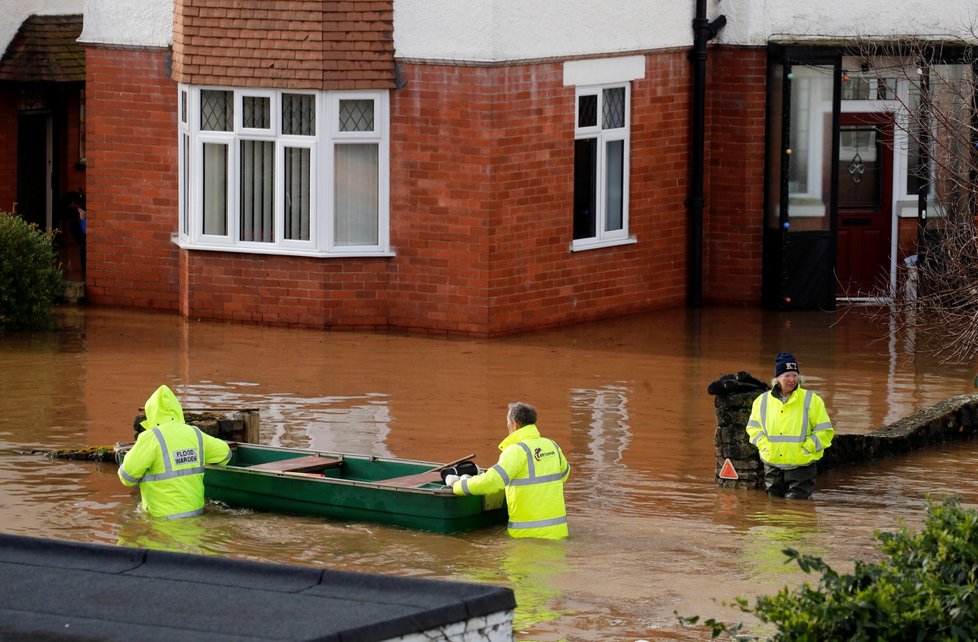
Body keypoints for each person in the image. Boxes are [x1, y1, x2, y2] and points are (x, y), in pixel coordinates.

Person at [446, 401, 570, 539]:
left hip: (528, 537)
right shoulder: (552, 446)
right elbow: (564, 474)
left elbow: (492, 481)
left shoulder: (516, 451)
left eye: (507, 422)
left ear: (515, 424)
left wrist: (458, 485)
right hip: (559, 534)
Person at [118, 385, 232, 519]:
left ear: (151, 413)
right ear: (177, 409)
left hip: (161, 520)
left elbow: (127, 477)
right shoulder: (194, 433)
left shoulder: (151, 437)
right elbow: (225, 454)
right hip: (195, 516)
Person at [745, 352, 834, 499]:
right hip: (772, 464)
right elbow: (753, 429)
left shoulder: (812, 400)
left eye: (794, 375)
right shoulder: (762, 401)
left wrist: (807, 448)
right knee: (773, 510)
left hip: (801, 465)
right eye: (787, 375)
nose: (792, 380)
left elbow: (825, 432)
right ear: (777, 378)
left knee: (797, 511)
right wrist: (764, 445)